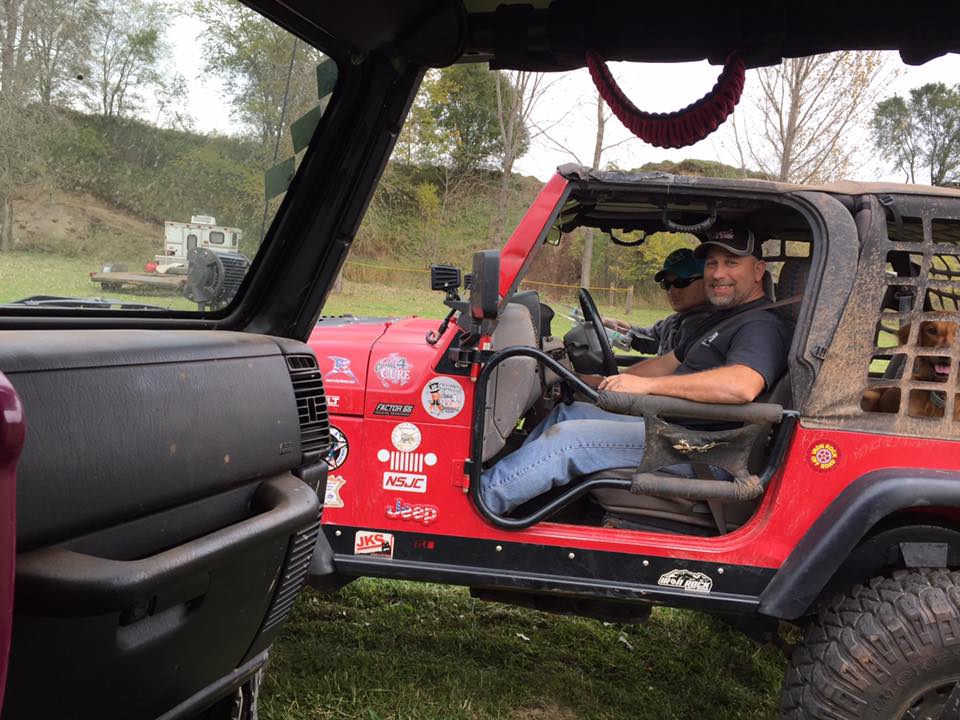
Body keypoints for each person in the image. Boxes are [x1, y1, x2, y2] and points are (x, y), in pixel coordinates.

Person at [480, 226, 791, 515]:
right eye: (712, 264)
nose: (718, 273)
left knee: (569, 440)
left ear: (758, 270)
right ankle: (521, 495)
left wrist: (646, 388)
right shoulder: (723, 318)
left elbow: (741, 385)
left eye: (731, 263)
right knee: (567, 415)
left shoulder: (761, 325)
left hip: (702, 449)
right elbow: (666, 364)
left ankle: (479, 505)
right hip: (674, 429)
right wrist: (603, 382)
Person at [605, 248, 713, 356]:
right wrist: (614, 325)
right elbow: (648, 338)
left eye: (681, 282)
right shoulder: (675, 321)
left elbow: (672, 364)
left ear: (706, 281)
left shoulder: (709, 327)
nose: (672, 290)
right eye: (666, 284)